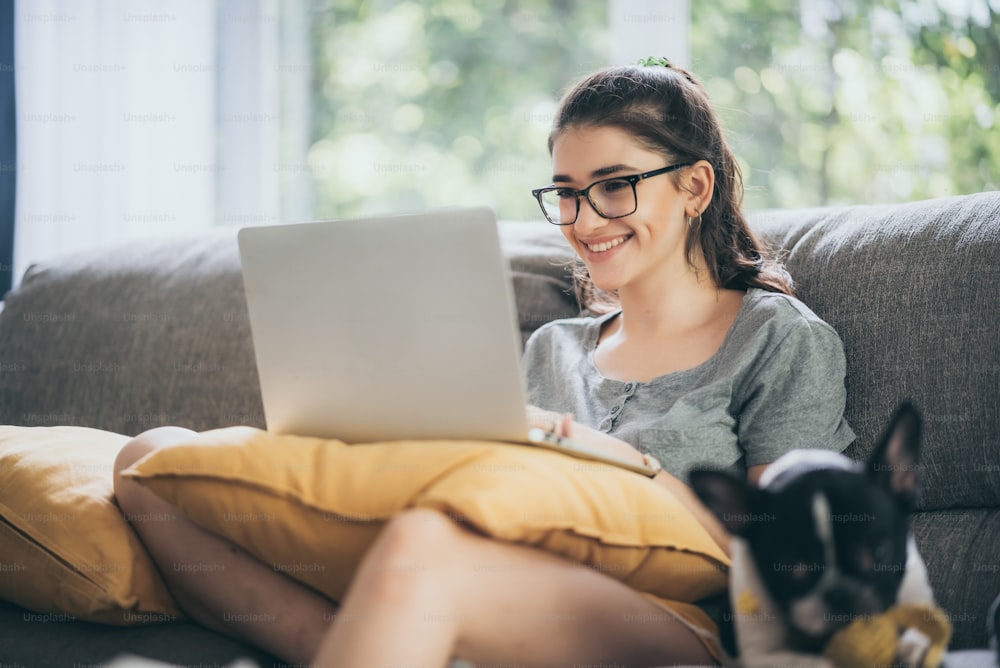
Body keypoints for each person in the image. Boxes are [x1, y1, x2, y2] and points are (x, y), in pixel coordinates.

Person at [114, 60, 855, 667]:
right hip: (484, 588)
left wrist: (607, 456)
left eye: (615, 185)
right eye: (565, 194)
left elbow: (782, 551)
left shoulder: (776, 338)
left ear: (694, 186)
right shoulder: (553, 348)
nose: (585, 221)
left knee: (422, 550)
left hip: (674, 627)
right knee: (148, 468)